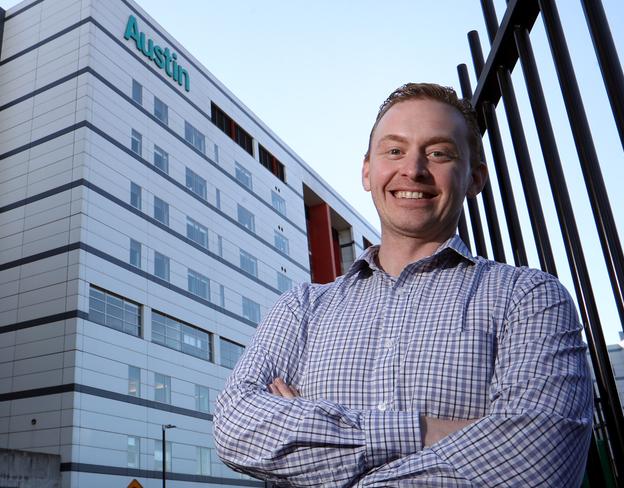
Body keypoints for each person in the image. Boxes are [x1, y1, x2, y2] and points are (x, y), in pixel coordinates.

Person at [213, 83, 593, 487]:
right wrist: (426, 431)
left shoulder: (528, 297)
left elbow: (535, 461)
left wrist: (313, 434)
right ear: (367, 171)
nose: (412, 169)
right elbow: (236, 427)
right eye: (394, 151)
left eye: (438, 153)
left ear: (475, 178)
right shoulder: (302, 307)